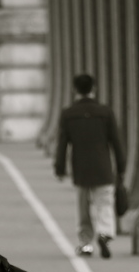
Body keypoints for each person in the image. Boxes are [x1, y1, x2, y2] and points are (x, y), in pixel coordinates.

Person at [54, 73, 126, 258]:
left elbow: (63, 143)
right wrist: (121, 165)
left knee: (83, 208)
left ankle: (86, 243)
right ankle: (105, 233)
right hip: (103, 167)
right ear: (94, 89)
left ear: (74, 90)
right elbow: (116, 142)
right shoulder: (105, 112)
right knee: (105, 204)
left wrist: (60, 167)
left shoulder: (69, 114)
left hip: (81, 169)